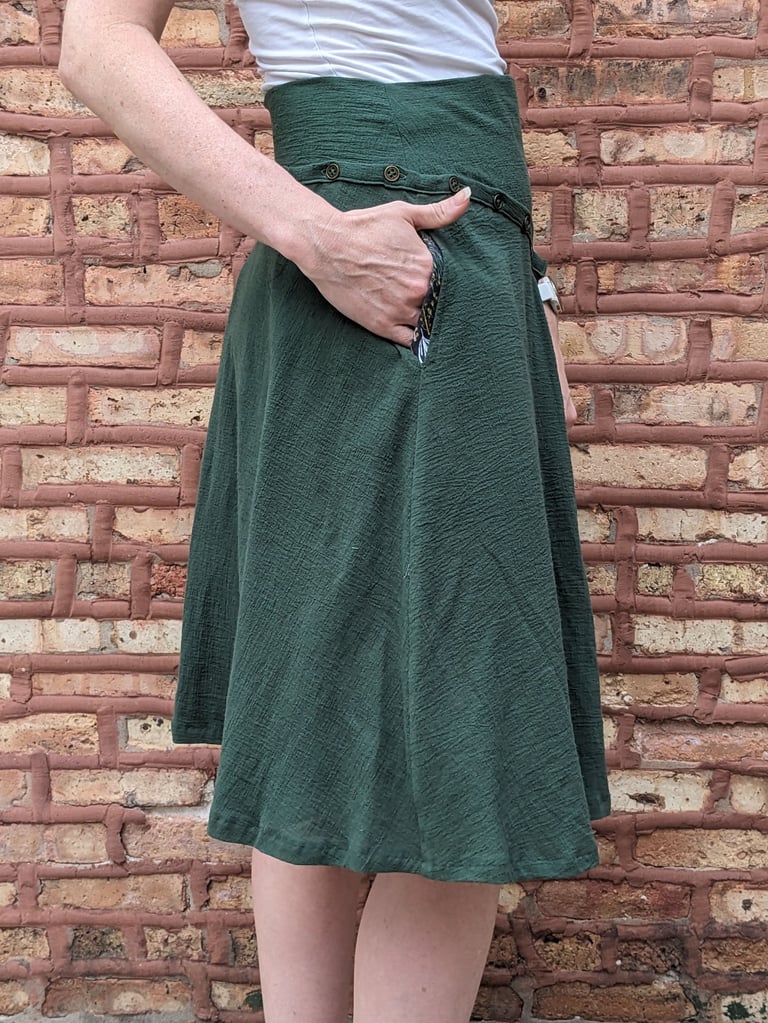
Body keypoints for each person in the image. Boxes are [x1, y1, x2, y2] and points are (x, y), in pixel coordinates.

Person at [59, 3, 611, 1021]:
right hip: (380, 260)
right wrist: (313, 231)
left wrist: (526, 288)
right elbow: (96, 43)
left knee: (316, 723)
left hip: (445, 264)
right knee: (460, 735)